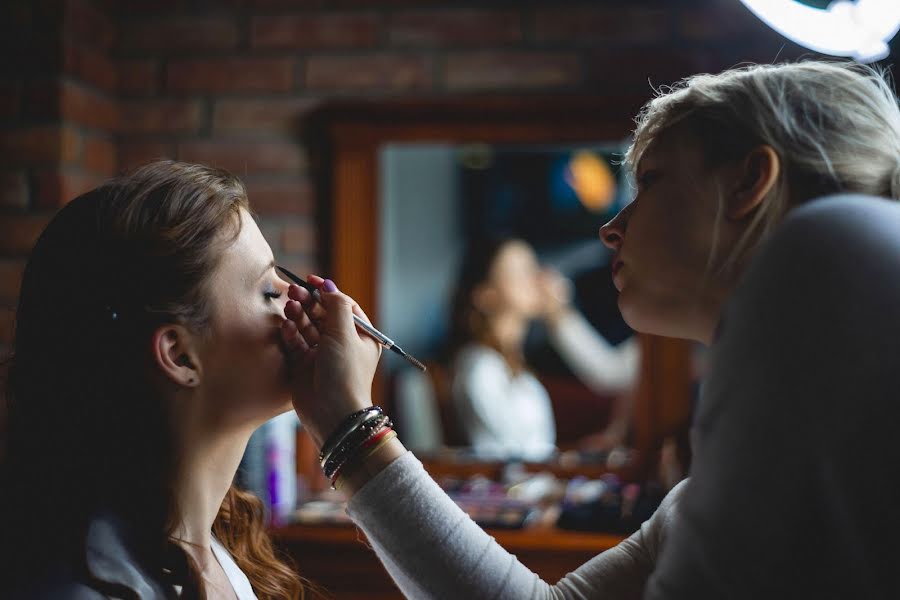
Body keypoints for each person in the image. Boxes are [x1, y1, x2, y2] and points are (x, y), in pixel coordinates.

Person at [282, 60, 900, 598]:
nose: (612, 227)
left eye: (650, 182)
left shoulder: (841, 241)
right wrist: (345, 421)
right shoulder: (707, 489)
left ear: (748, 183)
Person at [0, 162, 305, 598]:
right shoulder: (80, 590)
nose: (304, 304)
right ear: (180, 355)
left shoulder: (215, 553)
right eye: (270, 293)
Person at [446, 236, 639, 460]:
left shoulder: (516, 366)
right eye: (519, 272)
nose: (538, 280)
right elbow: (504, 458)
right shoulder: (480, 366)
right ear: (485, 295)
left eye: (534, 268)